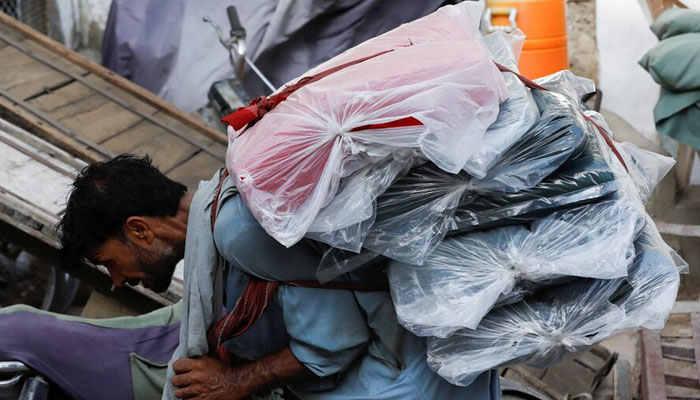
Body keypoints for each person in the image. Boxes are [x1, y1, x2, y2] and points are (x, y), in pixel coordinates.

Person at [58, 154, 500, 400]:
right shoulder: (222, 212)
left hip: (405, 381)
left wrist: (233, 382)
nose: (116, 280)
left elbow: (333, 341)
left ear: (139, 229)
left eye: (109, 261)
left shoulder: (236, 232)